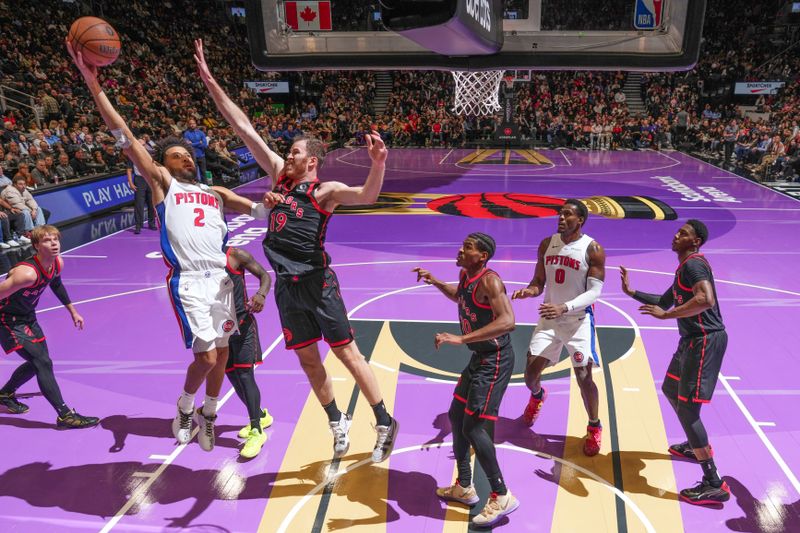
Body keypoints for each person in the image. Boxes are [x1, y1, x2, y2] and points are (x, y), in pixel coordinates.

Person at [194, 39, 398, 462]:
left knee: (346, 353)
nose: (287, 155)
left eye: (294, 152)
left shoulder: (326, 191)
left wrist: (378, 163)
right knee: (308, 361)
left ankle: (382, 419)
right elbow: (244, 127)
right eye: (287, 152)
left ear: (312, 161)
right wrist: (212, 83)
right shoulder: (278, 177)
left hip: (318, 283)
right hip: (287, 287)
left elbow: (367, 195)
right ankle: (336, 421)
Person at [68, 39, 238, 452]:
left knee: (224, 354)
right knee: (207, 359)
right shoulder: (163, 184)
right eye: (179, 155)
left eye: (189, 155)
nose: (188, 159)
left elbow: (263, 209)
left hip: (221, 280)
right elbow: (124, 135)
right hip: (189, 282)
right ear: (163, 163)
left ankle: (209, 413)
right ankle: (184, 405)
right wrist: (94, 86)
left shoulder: (213, 190)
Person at [413, 233, 519, 528]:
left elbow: (508, 321)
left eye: (468, 247)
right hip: (479, 359)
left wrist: (460, 338)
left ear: (482, 255)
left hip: (495, 360)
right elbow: (460, 296)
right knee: (456, 415)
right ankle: (464, 486)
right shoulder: (466, 276)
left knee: (473, 426)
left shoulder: (490, 281)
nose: (460, 250)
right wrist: (435, 282)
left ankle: (501, 494)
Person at [620, 219, 730, 505]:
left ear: (695, 242)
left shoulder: (694, 264)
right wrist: (631, 292)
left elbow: (705, 299)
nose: (676, 234)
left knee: (688, 409)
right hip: (690, 340)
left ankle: (713, 481)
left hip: (704, 339)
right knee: (671, 389)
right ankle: (696, 447)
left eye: (683, 233)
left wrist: (666, 317)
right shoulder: (684, 267)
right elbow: (664, 300)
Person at [512, 199, 606, 456]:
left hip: (577, 321)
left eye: (567, 215)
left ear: (581, 220)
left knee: (584, 377)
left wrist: (564, 307)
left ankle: (594, 426)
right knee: (530, 374)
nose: (561, 218)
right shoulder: (547, 244)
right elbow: (539, 281)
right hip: (550, 318)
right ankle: (538, 395)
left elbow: (595, 292)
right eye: (560, 214)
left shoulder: (593, 249)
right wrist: (529, 291)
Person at [0, 225, 98, 428]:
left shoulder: (57, 263)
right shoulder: (25, 274)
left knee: (40, 362)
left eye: (56, 239)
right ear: (36, 246)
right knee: (42, 362)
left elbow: (56, 284)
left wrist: (73, 311)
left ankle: (5, 394)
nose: (53, 243)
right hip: (7, 319)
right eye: (47, 240)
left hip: (27, 316)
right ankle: (65, 415)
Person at [224, 246, 274, 459]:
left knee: (245, 375)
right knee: (232, 376)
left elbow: (265, 276)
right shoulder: (200, 261)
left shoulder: (235, 255)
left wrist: (261, 295)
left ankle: (256, 430)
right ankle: (261, 415)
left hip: (243, 325)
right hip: (220, 330)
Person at [126, 143, 156, 234]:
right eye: (140, 144)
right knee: (139, 204)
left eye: (143, 144)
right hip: (139, 180)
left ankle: (152, 223)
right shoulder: (132, 156)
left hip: (149, 179)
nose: (142, 146)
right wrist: (130, 182)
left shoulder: (150, 155)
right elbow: (129, 169)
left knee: (151, 203)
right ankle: (138, 226)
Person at [183, 119, 209, 184]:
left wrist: (193, 144)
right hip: (192, 156)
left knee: (204, 172)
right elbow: (188, 145)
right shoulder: (186, 134)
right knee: (194, 172)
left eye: (193, 123)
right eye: (190, 124)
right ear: (188, 125)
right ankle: (197, 186)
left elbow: (205, 144)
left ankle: (206, 186)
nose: (192, 125)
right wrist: (199, 143)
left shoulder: (201, 132)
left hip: (202, 155)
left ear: (196, 124)